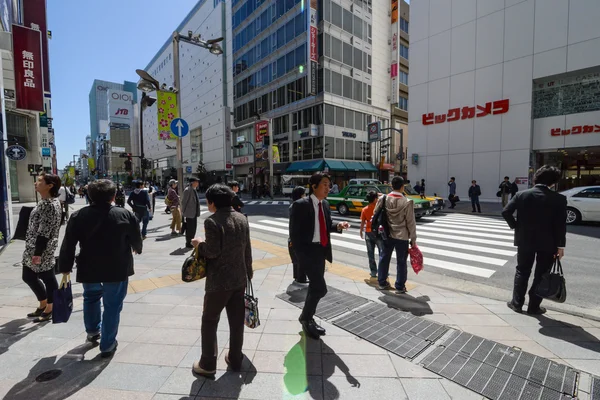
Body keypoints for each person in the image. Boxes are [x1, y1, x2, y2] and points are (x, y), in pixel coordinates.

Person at [59, 179, 143, 357]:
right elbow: (136, 237)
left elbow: (68, 244)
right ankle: (107, 344)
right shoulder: (124, 214)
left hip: (89, 266)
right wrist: (137, 248)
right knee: (112, 305)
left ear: (89, 195)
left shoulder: (78, 216)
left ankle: (92, 332)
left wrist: (65, 267)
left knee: (91, 298)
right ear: (113, 196)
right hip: (117, 267)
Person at [190, 184, 253, 377]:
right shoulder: (242, 218)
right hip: (239, 278)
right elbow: (247, 250)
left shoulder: (212, 222)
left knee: (209, 320)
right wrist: (248, 273)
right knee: (236, 321)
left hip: (219, 282)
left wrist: (199, 244)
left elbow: (213, 251)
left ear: (212, 203)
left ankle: (208, 364)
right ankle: (235, 358)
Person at [289, 173, 349, 339]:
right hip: (307, 253)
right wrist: (300, 257)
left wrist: (338, 226)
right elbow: (294, 234)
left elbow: (326, 225)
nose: (328, 188)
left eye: (329, 185)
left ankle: (307, 318)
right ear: (313, 186)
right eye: (324, 184)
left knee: (315, 288)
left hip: (320, 251)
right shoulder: (300, 205)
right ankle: (306, 317)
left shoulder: (326, 205)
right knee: (320, 288)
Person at [502, 166, 567, 315]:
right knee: (542, 274)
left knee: (522, 271)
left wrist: (516, 226)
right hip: (549, 243)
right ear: (554, 182)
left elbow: (506, 212)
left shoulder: (521, 195)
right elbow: (560, 225)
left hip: (525, 241)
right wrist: (560, 246)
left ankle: (517, 303)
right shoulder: (559, 199)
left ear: (536, 177)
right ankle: (534, 307)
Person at [22, 173, 62, 323]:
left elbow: (45, 232)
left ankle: (51, 308)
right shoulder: (45, 202)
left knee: (48, 277)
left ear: (50, 186)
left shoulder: (50, 205)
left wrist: (38, 253)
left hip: (42, 248)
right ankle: (44, 303)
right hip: (34, 246)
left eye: (40, 181)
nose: (35, 183)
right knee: (28, 276)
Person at [373, 176, 417, 293]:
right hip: (402, 236)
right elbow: (411, 222)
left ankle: (382, 282)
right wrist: (413, 238)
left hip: (386, 234)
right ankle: (400, 286)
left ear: (391, 186)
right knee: (401, 261)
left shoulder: (384, 198)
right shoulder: (407, 202)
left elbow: (375, 213)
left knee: (384, 258)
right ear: (402, 187)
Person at [360, 191, 382, 281]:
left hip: (368, 233)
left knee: (370, 253)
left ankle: (373, 271)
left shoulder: (364, 209)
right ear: (375, 199)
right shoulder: (378, 208)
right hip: (378, 233)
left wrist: (361, 231)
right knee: (382, 252)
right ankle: (382, 270)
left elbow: (362, 222)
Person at [289, 186, 308, 284]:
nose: (305, 196)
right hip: (297, 237)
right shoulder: (296, 206)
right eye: (304, 194)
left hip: (294, 236)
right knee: (299, 258)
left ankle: (298, 276)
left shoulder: (294, 205)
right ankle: (300, 277)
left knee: (297, 258)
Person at [182, 177, 201, 248]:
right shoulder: (188, 190)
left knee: (193, 228)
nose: (198, 183)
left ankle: (191, 241)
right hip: (189, 213)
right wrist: (183, 213)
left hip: (194, 213)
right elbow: (184, 202)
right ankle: (188, 242)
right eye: (196, 182)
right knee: (189, 229)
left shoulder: (194, 190)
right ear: (192, 182)